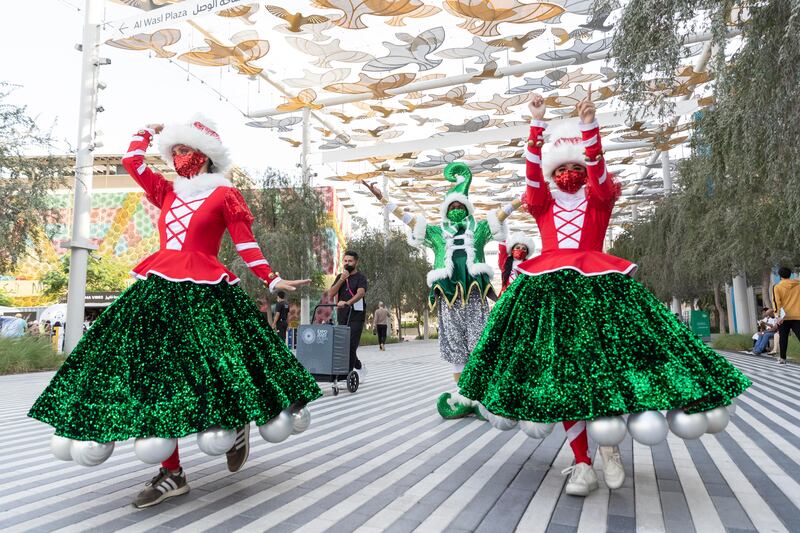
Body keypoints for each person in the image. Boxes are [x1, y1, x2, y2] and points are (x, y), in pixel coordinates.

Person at [457, 90, 751, 497]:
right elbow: (529, 176)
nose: (570, 173)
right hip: (550, 296)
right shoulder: (541, 203)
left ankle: (609, 448)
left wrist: (590, 127)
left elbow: (598, 169)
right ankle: (581, 462)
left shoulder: (599, 199)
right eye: (563, 167)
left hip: (601, 291)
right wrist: (536, 124)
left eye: (576, 165)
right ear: (552, 170)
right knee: (562, 378)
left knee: (606, 369)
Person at [28, 116, 322, 509]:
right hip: (160, 291)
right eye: (174, 151)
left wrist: (272, 279)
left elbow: (245, 244)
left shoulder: (225, 196)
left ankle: (237, 425)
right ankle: (172, 472)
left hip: (207, 293)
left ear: (204, 156)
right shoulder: (166, 192)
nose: (177, 157)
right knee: (155, 377)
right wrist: (147, 132)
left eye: (184, 150)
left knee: (222, 366)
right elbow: (134, 163)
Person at [363, 168, 520, 420]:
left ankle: (480, 394)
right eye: (452, 205)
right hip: (447, 299)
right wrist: (383, 199)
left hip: (475, 298)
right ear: (445, 210)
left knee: (478, 344)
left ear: (467, 209)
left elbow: (500, 216)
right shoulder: (436, 234)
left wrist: (521, 198)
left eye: (461, 205)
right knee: (456, 346)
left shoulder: (478, 232)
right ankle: (462, 394)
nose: (456, 208)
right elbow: (410, 220)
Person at [327, 251, 368, 379]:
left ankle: (346, 375)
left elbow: (360, 293)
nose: (347, 263)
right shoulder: (340, 276)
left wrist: (348, 303)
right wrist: (341, 279)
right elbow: (331, 294)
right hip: (343, 316)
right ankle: (359, 366)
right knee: (344, 345)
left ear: (356, 262)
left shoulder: (361, 277)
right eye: (345, 261)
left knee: (351, 345)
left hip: (356, 316)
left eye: (350, 261)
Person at [495, 225, 536, 294]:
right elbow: (502, 248)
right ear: (512, 250)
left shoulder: (529, 265)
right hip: (505, 296)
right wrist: (501, 227)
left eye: (524, 249)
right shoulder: (505, 262)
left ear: (527, 252)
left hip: (520, 297)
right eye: (517, 247)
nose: (520, 250)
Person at [772, 266, 800, 365]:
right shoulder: (798, 285)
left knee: (783, 337)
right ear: (790, 274)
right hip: (798, 316)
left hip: (783, 318)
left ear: (780, 275)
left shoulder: (777, 287)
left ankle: (783, 359)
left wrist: (777, 316)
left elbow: (776, 303)